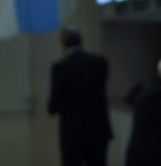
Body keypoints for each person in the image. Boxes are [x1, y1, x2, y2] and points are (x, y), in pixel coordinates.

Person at [47, 28, 113, 166]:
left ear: (63, 44)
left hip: (72, 133)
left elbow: (54, 106)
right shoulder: (100, 62)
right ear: (81, 41)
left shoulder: (60, 67)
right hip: (98, 130)